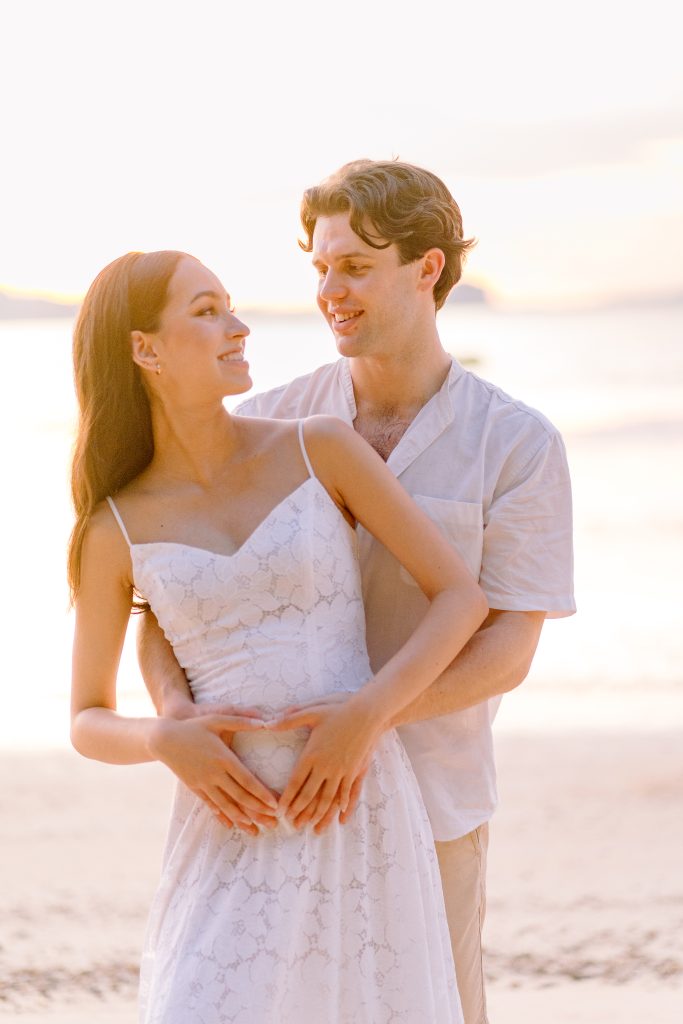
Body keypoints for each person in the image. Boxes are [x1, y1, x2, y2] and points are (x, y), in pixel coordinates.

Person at [138, 160, 576, 1024]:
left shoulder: (516, 444)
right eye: (320, 268)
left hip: (436, 796)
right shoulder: (267, 422)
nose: (330, 291)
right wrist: (170, 712)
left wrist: (363, 719)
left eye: (355, 267)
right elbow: (163, 594)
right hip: (266, 801)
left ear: (428, 269)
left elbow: (505, 652)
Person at [69, 249, 489, 1022]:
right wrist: (163, 737)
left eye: (229, 306)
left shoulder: (318, 446)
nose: (237, 327)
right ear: (144, 349)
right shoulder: (112, 527)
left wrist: (365, 718)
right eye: (206, 312)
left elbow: (458, 597)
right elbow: (87, 718)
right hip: (228, 820)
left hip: (353, 804)